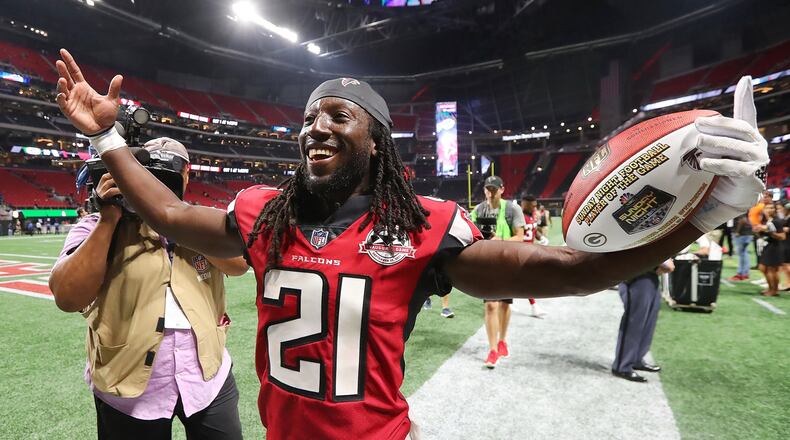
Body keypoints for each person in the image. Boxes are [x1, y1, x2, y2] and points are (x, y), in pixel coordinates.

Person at [54, 48, 768, 439]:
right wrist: (110, 137)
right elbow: (173, 216)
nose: (315, 128)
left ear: (376, 140)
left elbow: (573, 271)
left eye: (338, 116)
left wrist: (702, 218)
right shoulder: (265, 213)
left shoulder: (419, 225)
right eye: (308, 119)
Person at [49, 137, 249, 440]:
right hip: (128, 383)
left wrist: (176, 219)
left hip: (208, 375)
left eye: (169, 175)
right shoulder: (98, 223)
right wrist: (109, 218)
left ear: (186, 175)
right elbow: (67, 296)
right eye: (150, 176)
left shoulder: (199, 221)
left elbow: (238, 265)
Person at [471, 176, 526, 368]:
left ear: (502, 189)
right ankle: (493, 349)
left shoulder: (512, 209)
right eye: (488, 188)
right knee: (491, 306)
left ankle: (503, 340)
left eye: (494, 188)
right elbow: (471, 236)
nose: (491, 192)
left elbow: (520, 237)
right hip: (488, 265)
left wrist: (498, 242)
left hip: (508, 263)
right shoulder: (478, 210)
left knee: (504, 304)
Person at [611, 259, 674, 382]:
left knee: (649, 319)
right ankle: (622, 366)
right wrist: (662, 261)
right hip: (635, 274)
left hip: (651, 273)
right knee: (634, 321)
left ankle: (636, 359)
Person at [520, 194, 547, 318]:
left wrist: (541, 238)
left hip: (529, 251)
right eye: (533, 205)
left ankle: (506, 300)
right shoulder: (518, 217)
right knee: (526, 280)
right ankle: (534, 306)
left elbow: (534, 231)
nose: (535, 207)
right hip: (519, 252)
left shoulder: (533, 215)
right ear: (525, 204)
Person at [753, 202, 786, 297]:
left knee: (772, 270)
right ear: (763, 210)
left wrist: (769, 232)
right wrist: (758, 230)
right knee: (763, 268)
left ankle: (774, 290)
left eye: (772, 208)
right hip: (768, 245)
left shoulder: (777, 221)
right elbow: (763, 233)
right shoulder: (766, 220)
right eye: (767, 208)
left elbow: (782, 236)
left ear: (775, 210)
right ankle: (771, 288)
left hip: (775, 247)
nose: (769, 210)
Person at [729, 213, 754, 281]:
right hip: (746, 233)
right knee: (744, 254)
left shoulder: (739, 208)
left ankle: (741, 274)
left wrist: (737, 231)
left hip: (742, 234)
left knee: (742, 254)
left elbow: (742, 220)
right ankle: (744, 273)